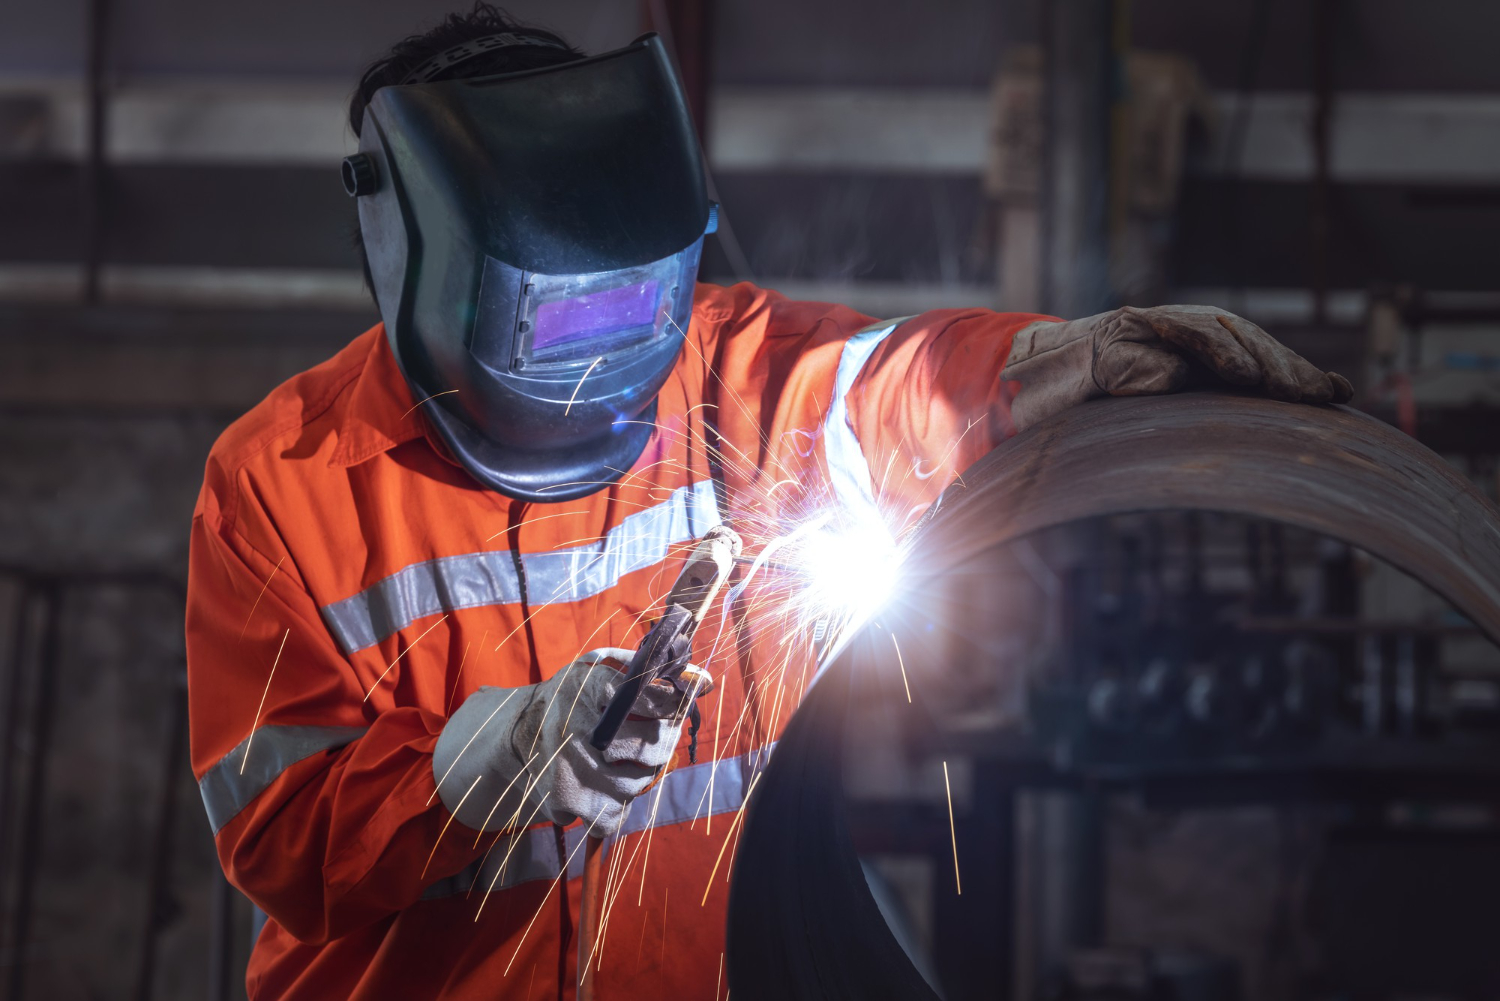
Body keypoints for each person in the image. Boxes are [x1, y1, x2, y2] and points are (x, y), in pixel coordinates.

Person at [184, 7, 1351, 999]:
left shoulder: (728, 369)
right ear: (418, 256)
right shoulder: (282, 485)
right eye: (560, 316)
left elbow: (894, 387)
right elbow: (277, 842)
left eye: (645, 297)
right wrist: (465, 773)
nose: (614, 352)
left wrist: (1059, 357)